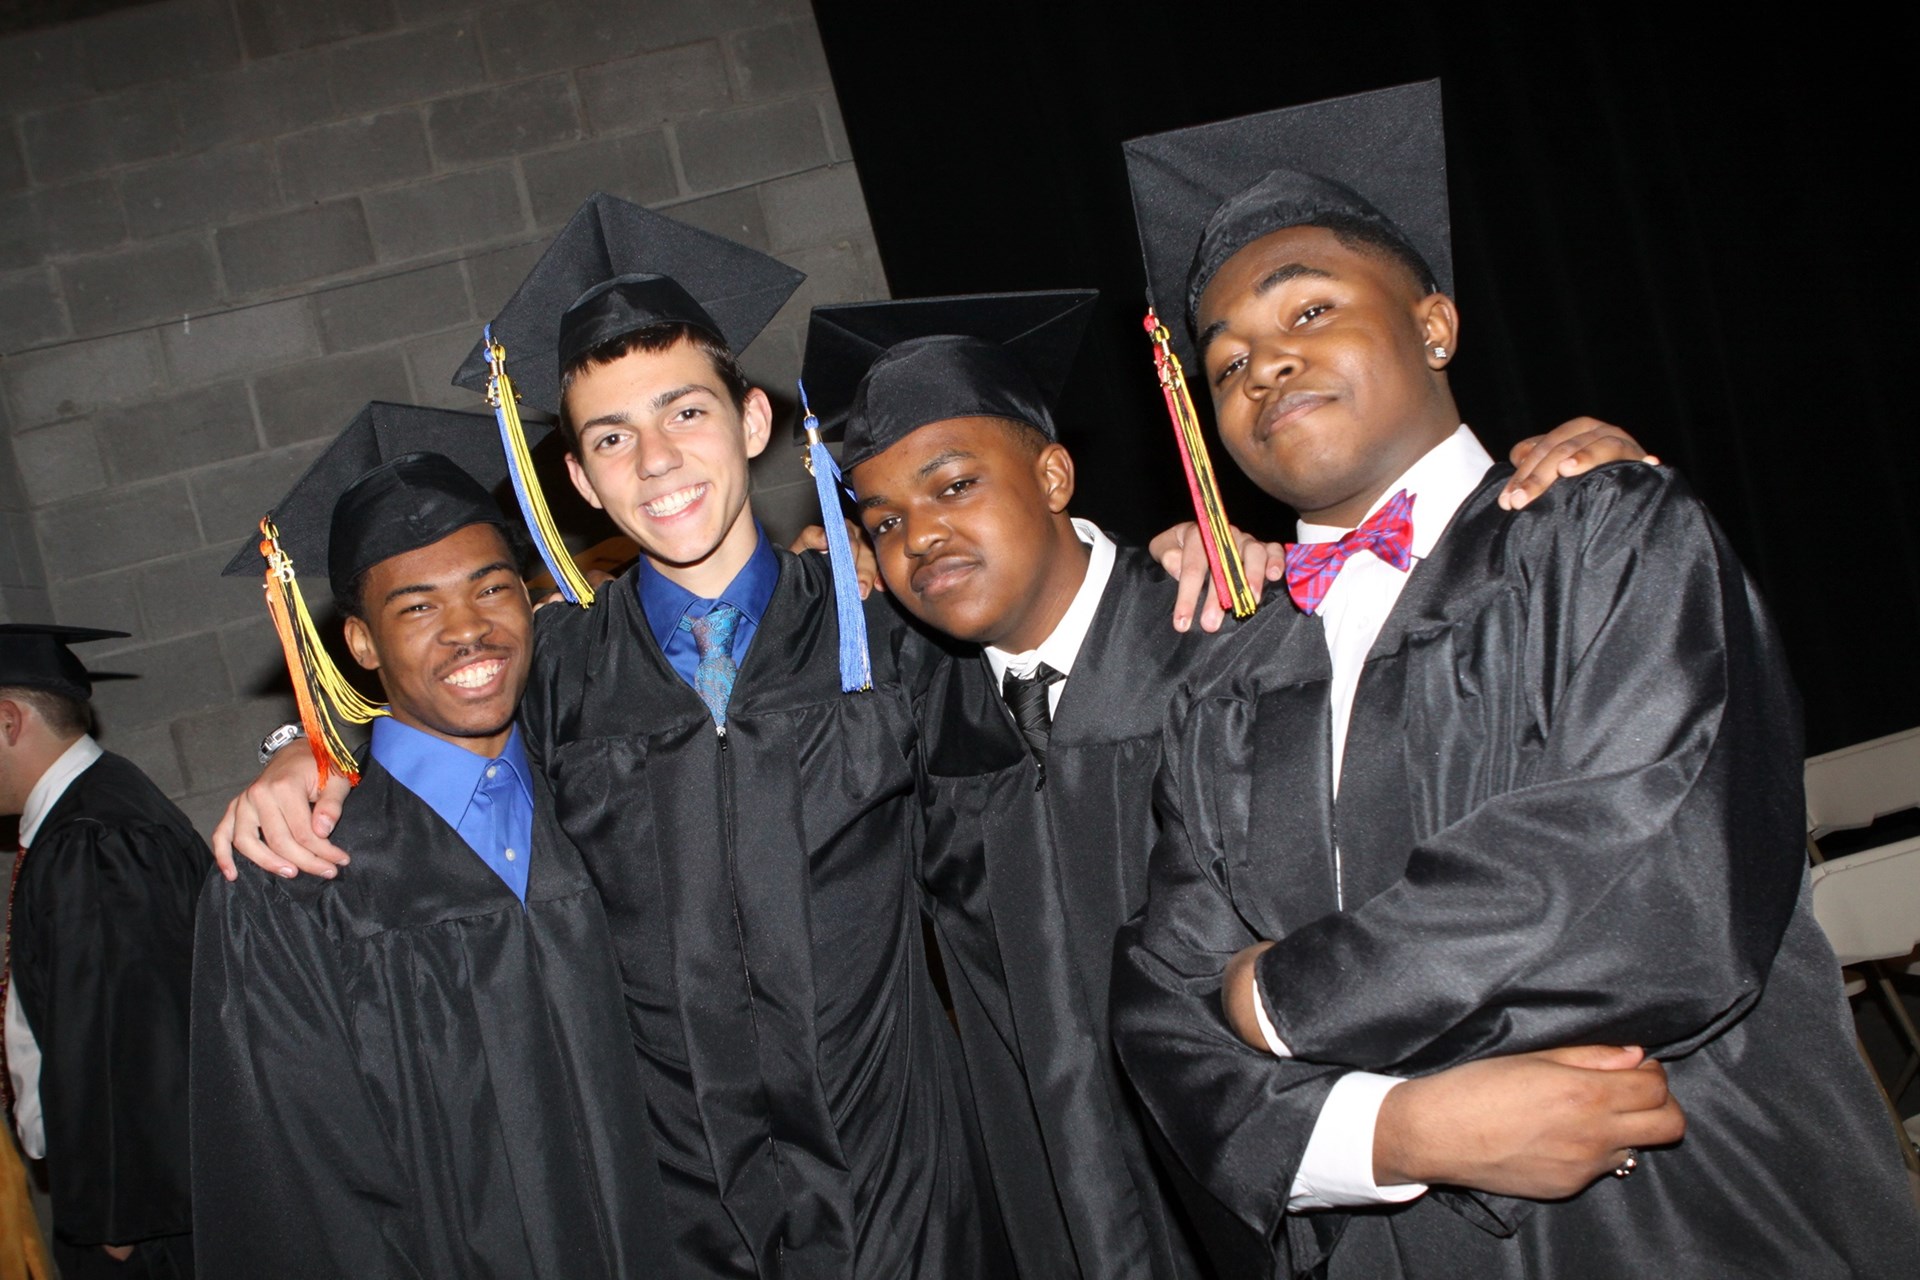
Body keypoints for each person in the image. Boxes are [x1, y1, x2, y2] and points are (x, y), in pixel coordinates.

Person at [1109, 80, 1920, 1278]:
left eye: (1310, 310)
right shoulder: (1225, 681)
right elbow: (1161, 999)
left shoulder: (1607, 535)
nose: (1265, 367)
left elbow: (1650, 889)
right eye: (1225, 362)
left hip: (1688, 1215)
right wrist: (1389, 1129)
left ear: (1434, 324)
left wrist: (1281, 1003)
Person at [216, 196, 1000, 1278]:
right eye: (611, 437)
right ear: (577, 480)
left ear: (754, 422)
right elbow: (433, 756)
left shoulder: (887, 627)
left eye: (686, 413)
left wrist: (1176, 555)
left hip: (908, 1193)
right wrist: (306, 754)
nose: (659, 461)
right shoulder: (554, 676)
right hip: (679, 1221)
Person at [800, 289, 1657, 1280]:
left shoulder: (1237, 638)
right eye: (886, 519)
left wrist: (1590, 476)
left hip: (1300, 1209)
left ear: (1050, 473)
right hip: (1064, 1222)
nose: (920, 537)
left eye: (953, 486)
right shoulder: (915, 717)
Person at [192, 403, 676, 1278]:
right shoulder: (292, 880)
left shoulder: (608, 798)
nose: (468, 629)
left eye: (491, 588)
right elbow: (303, 1197)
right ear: (360, 643)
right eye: (417, 607)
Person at [0, 624, 203, 1280]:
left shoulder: (89, 841)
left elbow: (121, 1041)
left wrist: (117, 1221)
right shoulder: (100, 807)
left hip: (140, 1224)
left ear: (6, 720)